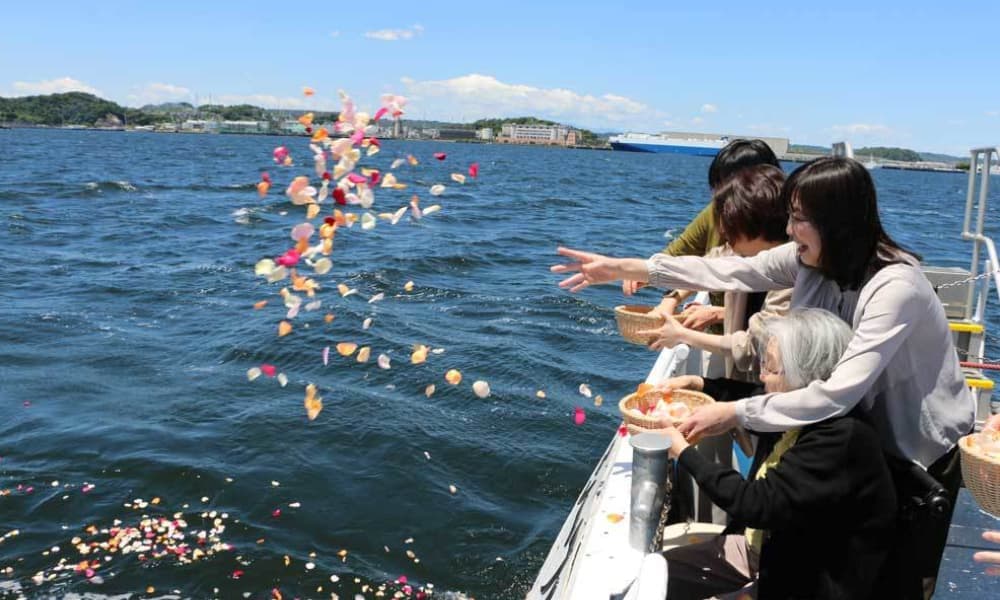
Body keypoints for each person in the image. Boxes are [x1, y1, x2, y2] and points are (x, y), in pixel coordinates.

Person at [551, 156, 976, 591]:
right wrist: (628, 268)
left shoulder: (895, 288)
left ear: (837, 220)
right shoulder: (810, 260)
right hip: (847, 444)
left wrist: (733, 412)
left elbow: (835, 394)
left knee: (896, 576)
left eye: (798, 219)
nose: (789, 231)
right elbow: (730, 269)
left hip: (914, 452)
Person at [650, 309, 897, 599]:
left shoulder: (840, 439)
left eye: (770, 367)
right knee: (656, 575)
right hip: (768, 550)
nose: (761, 374)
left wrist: (683, 452)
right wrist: (701, 385)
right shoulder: (803, 412)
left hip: (805, 579)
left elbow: (754, 503)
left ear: (805, 374)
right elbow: (752, 396)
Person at [638, 164, 792, 382]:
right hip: (742, 380)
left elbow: (754, 346)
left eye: (731, 224)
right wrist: (668, 298)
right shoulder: (742, 252)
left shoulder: (791, 278)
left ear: (755, 223)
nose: (722, 230)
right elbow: (704, 267)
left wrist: (683, 335)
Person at [625, 139, 782, 329]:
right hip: (729, 342)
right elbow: (693, 261)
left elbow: (781, 319)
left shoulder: (790, 252)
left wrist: (718, 314)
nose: (720, 198)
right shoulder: (716, 212)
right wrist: (659, 284)